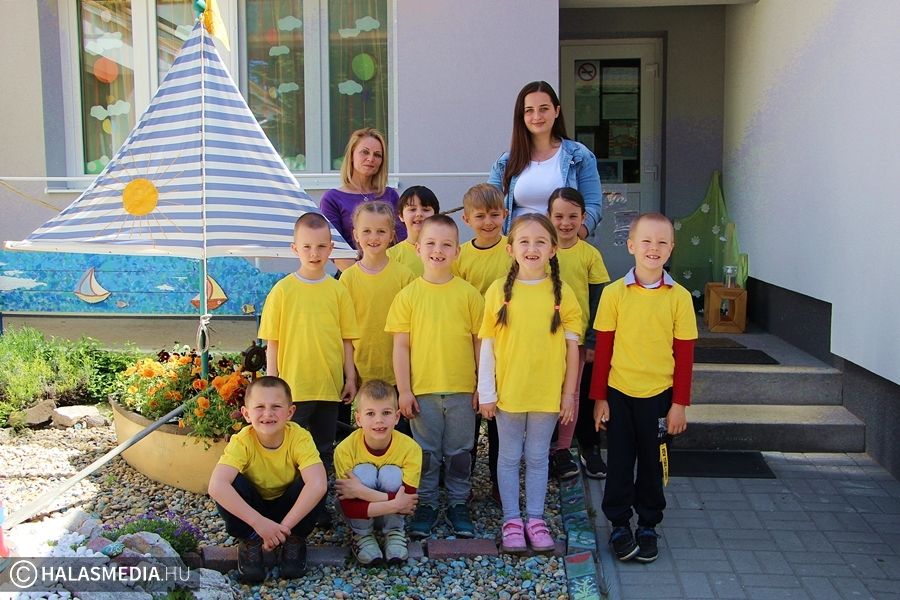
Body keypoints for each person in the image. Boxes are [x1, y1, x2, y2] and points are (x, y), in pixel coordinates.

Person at [590, 212, 697, 563]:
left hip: (659, 399)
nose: (654, 248)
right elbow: (603, 351)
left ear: (671, 249)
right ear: (631, 245)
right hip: (620, 395)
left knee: (654, 465)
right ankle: (619, 524)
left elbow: (684, 356)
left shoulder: (679, 297)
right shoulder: (613, 294)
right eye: (646, 241)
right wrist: (599, 398)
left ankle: (648, 524)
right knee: (620, 463)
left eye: (662, 242)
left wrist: (679, 404)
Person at [478, 214, 582, 554]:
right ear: (511, 249)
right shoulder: (498, 291)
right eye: (524, 241)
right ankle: (511, 520)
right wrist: (487, 392)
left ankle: (535, 520)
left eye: (540, 241)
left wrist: (569, 394)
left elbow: (572, 349)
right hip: (509, 394)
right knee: (508, 457)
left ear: (553, 249)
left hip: (546, 395)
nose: (532, 248)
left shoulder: (562, 294)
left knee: (538, 458)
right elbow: (488, 345)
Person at [386, 214, 484, 540]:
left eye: (446, 244)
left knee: (459, 453)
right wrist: (403, 390)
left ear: (457, 251)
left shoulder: (469, 295)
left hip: (462, 390)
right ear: (417, 249)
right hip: (423, 392)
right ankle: (426, 504)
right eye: (430, 243)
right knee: (425, 455)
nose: (438, 250)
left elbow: (480, 343)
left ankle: (458, 503)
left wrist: (482, 386)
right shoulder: (407, 296)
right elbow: (401, 348)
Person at [258, 212, 360, 473]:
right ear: (295, 249)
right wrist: (272, 383)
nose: (314, 253)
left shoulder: (338, 290)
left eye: (321, 246)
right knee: (290, 448)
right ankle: (290, 494)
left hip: (329, 386)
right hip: (294, 388)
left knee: (323, 448)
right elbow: (272, 341)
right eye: (307, 247)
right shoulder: (282, 291)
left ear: (331, 248)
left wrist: (350, 377)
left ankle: (319, 494)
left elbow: (347, 340)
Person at [208, 376, 327, 583]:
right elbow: (216, 486)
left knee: (315, 481)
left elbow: (318, 484)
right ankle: (251, 539)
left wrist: (283, 530)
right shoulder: (242, 441)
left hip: (288, 510)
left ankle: (293, 539)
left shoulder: (299, 437)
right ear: (246, 413)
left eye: (276, 407)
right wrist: (259, 524)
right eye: (260, 407)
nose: (268, 413)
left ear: (290, 412)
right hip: (254, 510)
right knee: (231, 483)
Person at [452, 183, 511, 502]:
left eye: (494, 215)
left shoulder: (512, 249)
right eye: (480, 216)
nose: (488, 222)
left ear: (505, 214)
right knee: (471, 413)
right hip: (471, 343)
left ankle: (501, 483)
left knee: (502, 414)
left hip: (506, 342)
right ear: (466, 219)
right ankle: (465, 482)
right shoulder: (460, 255)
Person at [547, 187, 611, 480]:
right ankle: (550, 451)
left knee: (578, 396)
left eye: (572, 216)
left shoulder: (590, 255)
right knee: (550, 395)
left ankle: (581, 448)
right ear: (549, 216)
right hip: (547, 340)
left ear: (583, 217)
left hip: (580, 341)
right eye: (559, 216)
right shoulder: (542, 250)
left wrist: (593, 340)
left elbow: (599, 300)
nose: (565, 223)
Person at [488, 81, 602, 237]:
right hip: (518, 247)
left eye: (544, 109)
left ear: (556, 111)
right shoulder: (506, 162)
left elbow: (593, 205)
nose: (537, 116)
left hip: (562, 246)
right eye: (529, 110)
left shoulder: (579, 155)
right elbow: (488, 206)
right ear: (522, 116)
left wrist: (572, 240)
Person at [334, 380, 422, 565]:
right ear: (358, 419)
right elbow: (349, 507)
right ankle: (361, 534)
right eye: (370, 413)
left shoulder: (410, 449)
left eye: (386, 413)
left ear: (397, 417)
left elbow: (408, 503)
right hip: (360, 513)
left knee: (391, 474)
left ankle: (394, 531)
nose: (379, 420)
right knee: (363, 472)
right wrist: (394, 503)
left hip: (393, 513)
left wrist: (361, 492)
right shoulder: (345, 450)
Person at [339, 202, 416, 386]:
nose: (374, 237)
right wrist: (350, 376)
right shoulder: (347, 279)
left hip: (400, 375)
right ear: (356, 234)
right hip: (360, 374)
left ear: (391, 235)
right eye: (366, 231)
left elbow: (414, 330)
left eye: (381, 231)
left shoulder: (405, 276)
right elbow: (344, 334)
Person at [320, 128, 406, 270]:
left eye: (377, 155)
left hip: (392, 273)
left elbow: (402, 242)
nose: (371, 159)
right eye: (365, 152)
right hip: (352, 275)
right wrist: (365, 277)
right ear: (351, 155)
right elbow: (336, 249)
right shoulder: (332, 199)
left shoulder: (390, 195)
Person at [385, 186, 440, 277]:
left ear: (436, 215)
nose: (419, 214)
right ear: (401, 216)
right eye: (412, 209)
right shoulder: (391, 255)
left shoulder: (446, 251)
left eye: (425, 209)